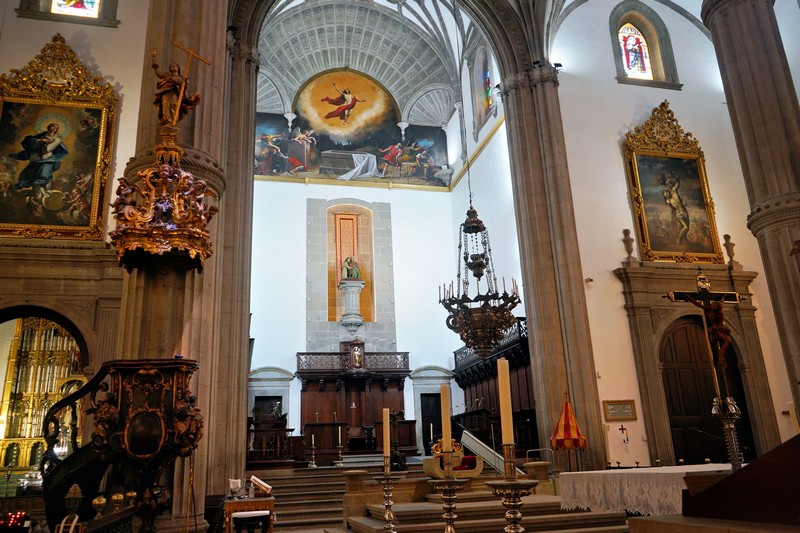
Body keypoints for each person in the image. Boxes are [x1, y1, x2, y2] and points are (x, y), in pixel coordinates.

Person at [9, 122, 68, 199]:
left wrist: (47, 146)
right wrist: (40, 141)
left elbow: (53, 149)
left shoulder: (57, 139)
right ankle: (37, 194)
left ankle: (46, 191)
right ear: (49, 127)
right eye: (53, 126)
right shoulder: (40, 136)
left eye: (56, 128)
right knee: (34, 175)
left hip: (48, 159)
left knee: (45, 175)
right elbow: (29, 144)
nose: (54, 128)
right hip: (37, 158)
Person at [685, 274, 732, 367]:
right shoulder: (709, 309)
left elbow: (721, 302)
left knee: (726, 342)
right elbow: (698, 304)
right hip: (717, 328)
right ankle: (721, 357)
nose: (712, 304)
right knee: (726, 342)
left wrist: (724, 297)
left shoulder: (718, 311)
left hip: (721, 328)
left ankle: (721, 357)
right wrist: (689, 299)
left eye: (713, 305)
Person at [151, 52, 200, 124]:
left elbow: (183, 87)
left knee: (174, 104)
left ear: (178, 68)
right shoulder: (167, 75)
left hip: (175, 93)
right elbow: (159, 74)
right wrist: (154, 60)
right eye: (171, 66)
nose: (173, 67)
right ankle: (166, 120)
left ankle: (174, 120)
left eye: (175, 66)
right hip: (166, 92)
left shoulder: (181, 78)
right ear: (170, 69)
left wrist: (185, 82)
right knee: (165, 105)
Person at [661, 175, 690, 245]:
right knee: (685, 227)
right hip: (679, 214)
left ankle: (683, 238)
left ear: (668, 192)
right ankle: (679, 238)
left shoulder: (674, 192)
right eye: (665, 195)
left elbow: (677, 183)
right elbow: (671, 207)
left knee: (688, 227)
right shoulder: (668, 201)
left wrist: (670, 180)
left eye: (666, 193)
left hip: (684, 211)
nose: (666, 194)